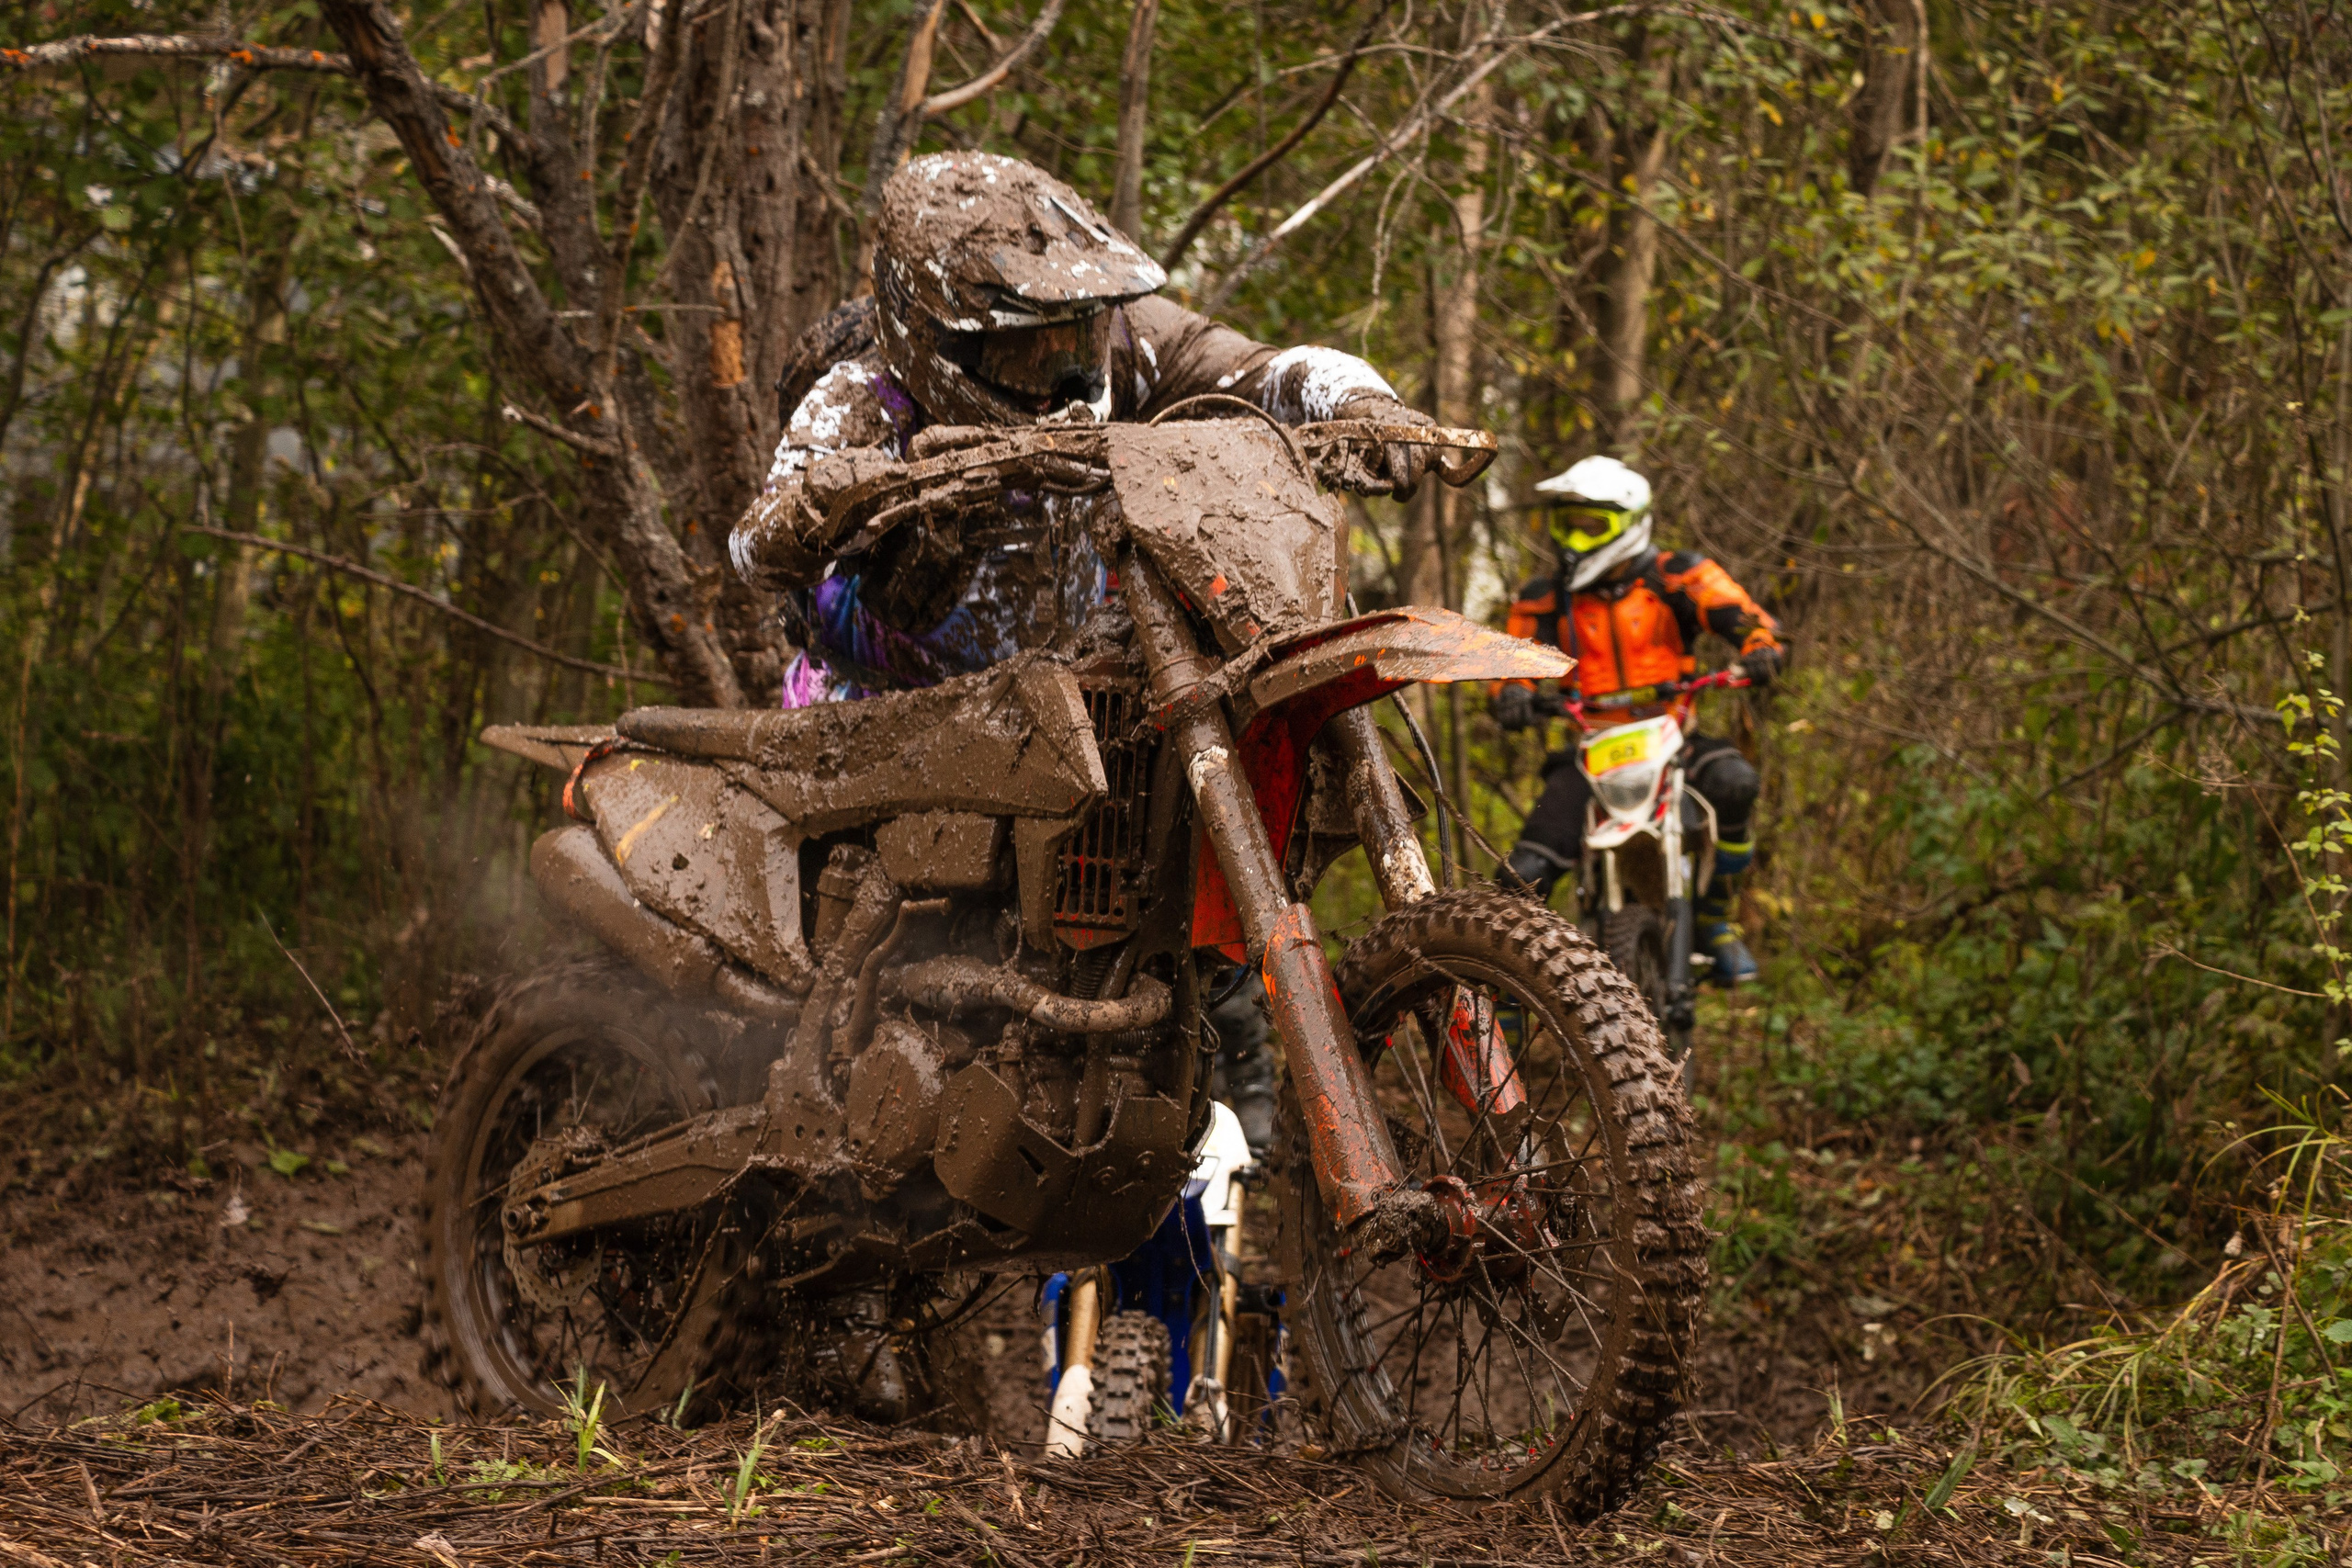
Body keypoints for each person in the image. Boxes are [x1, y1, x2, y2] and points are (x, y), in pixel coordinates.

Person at [729, 151, 1437, 702]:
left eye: (1077, 333)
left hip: (1070, 693)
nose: (1064, 369)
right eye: (1026, 348)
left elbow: (1268, 371)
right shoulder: (863, 396)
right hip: (883, 711)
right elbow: (753, 547)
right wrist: (825, 504)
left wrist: (1363, 403)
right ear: (935, 337)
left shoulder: (1130, 338)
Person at [1494, 457, 1783, 985]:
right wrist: (1513, 693)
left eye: (1591, 527)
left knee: (1736, 783)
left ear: (1630, 524)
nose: (1574, 541)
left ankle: (1714, 920)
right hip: (1593, 749)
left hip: (1673, 737)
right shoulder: (1545, 598)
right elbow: (1514, 662)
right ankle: (1502, 1012)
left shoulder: (1677, 575)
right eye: (1566, 526)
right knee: (1522, 874)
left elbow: (1744, 617)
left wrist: (1760, 647)